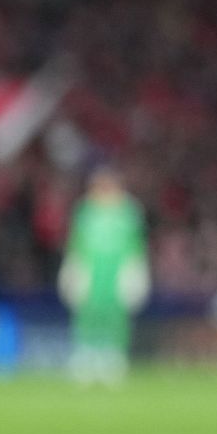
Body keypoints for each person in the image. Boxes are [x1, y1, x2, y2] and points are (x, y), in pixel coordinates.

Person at [58, 165, 150, 385]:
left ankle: (114, 355)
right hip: (91, 269)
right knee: (87, 310)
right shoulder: (85, 211)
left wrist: (136, 269)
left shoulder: (129, 211)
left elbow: (137, 243)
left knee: (116, 312)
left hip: (117, 269)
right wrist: (72, 266)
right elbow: (76, 242)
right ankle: (86, 354)